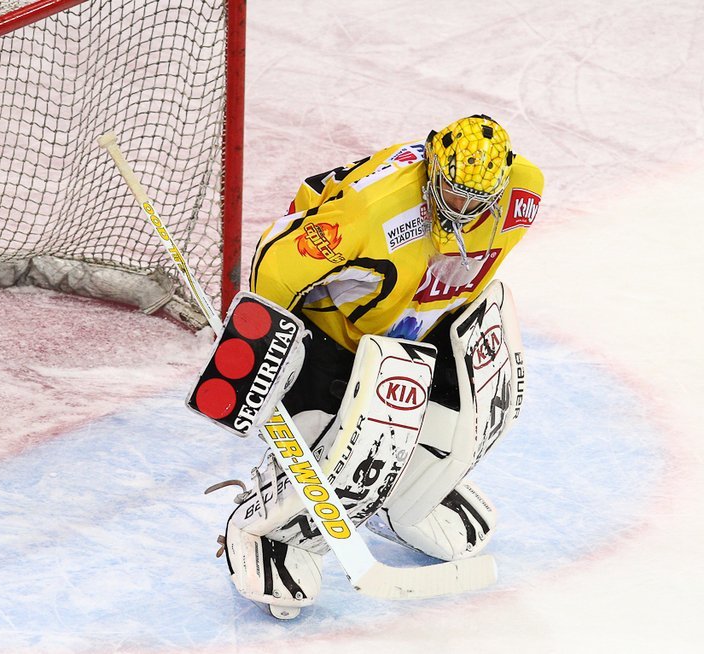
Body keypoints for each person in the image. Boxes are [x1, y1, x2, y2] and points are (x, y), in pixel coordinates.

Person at [219, 114, 543, 617]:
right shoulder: (374, 213)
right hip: (332, 324)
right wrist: (263, 345)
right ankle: (269, 531)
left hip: (416, 319)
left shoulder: (525, 190)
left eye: (476, 200)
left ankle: (412, 496)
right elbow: (276, 262)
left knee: (471, 401)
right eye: (452, 193)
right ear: (432, 168)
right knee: (333, 437)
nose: (461, 211)